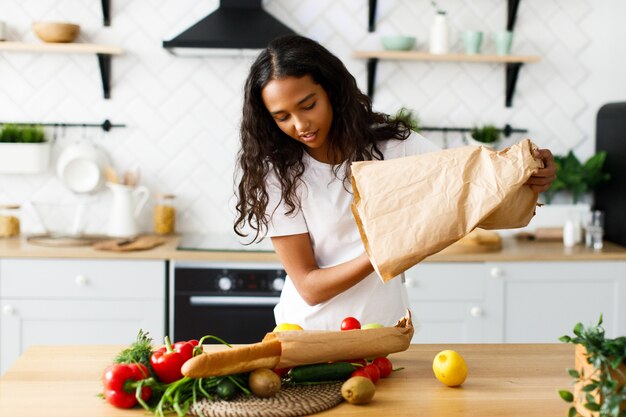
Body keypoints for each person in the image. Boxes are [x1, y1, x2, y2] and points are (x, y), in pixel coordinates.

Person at [234, 35, 556, 330]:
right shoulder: (277, 172)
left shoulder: (393, 145)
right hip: (305, 335)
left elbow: (467, 191)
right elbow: (309, 287)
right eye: (282, 116)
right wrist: (387, 251)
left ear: (330, 90)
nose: (300, 124)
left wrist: (527, 174)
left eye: (308, 105)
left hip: (383, 333)